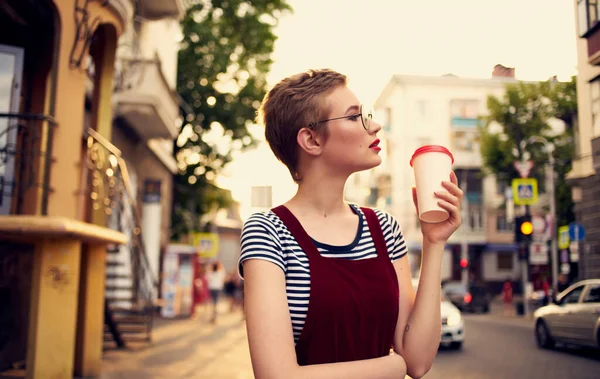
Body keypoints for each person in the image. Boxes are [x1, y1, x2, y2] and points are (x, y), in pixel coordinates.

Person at [239, 69, 463, 379]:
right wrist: (391, 366)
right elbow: (277, 376)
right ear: (311, 139)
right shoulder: (269, 231)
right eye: (354, 117)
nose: (374, 125)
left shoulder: (384, 228)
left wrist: (434, 243)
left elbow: (418, 360)